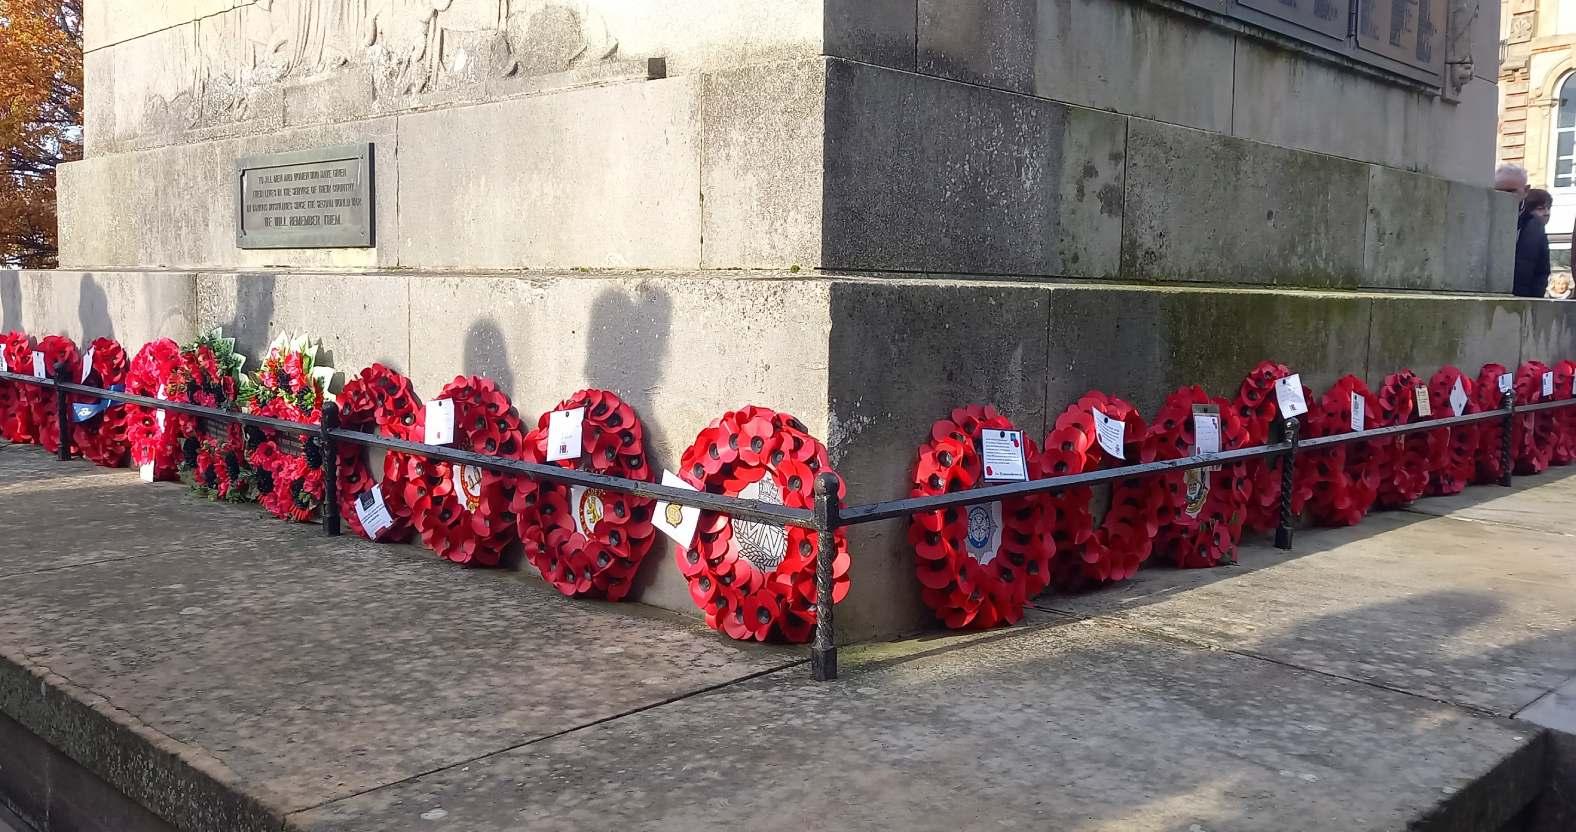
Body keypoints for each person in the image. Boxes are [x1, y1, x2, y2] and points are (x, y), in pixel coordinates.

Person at [1514, 188, 1552, 298]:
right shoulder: (1530, 228)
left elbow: (1542, 270)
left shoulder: (1538, 231)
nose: (1547, 213)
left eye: (1548, 208)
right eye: (1540, 209)